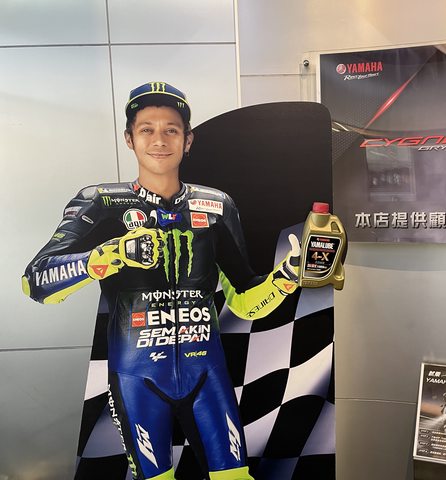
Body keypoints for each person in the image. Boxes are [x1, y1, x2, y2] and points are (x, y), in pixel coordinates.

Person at [22, 82, 300, 480]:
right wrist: (108, 256)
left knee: (235, 478)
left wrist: (286, 277)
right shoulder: (101, 202)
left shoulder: (217, 204)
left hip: (208, 376)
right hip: (137, 379)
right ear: (129, 139)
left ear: (188, 140)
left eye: (171, 129)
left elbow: (243, 301)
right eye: (146, 129)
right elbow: (36, 281)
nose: (159, 140)